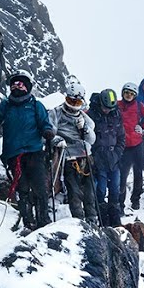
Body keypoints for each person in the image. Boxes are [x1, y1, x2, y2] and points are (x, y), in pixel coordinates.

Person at [0, 70, 56, 231]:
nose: (16, 86)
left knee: (40, 188)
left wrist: (48, 131)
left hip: (34, 153)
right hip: (14, 156)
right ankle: (28, 222)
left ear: (27, 87)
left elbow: (44, 123)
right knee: (22, 188)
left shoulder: (36, 105)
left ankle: (43, 222)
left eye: (20, 83)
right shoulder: (6, 106)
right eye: (13, 83)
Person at [51, 82, 98, 224]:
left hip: (85, 157)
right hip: (68, 157)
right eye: (71, 100)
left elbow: (92, 139)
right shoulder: (56, 113)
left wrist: (85, 129)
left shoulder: (84, 118)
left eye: (77, 102)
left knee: (90, 191)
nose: (73, 105)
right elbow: (48, 132)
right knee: (74, 191)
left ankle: (92, 218)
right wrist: (56, 139)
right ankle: (78, 220)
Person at [116, 80, 144, 212]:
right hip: (123, 146)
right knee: (122, 176)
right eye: (126, 93)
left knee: (138, 173)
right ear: (122, 93)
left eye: (131, 94)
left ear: (135, 95)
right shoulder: (117, 105)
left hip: (137, 145)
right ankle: (120, 204)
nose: (128, 95)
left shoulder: (139, 106)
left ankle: (135, 200)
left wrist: (143, 128)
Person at [88, 89, 125, 226]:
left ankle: (115, 220)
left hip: (114, 158)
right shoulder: (91, 115)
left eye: (110, 108)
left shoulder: (116, 114)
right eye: (105, 108)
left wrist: (117, 153)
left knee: (115, 188)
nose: (107, 111)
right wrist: (93, 157)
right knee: (101, 190)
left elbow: (121, 137)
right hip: (98, 158)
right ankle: (103, 220)